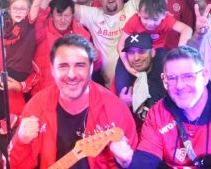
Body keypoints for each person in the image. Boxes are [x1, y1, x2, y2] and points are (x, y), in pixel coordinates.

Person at [9, 34, 139, 168]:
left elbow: (134, 163)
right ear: (52, 70)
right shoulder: (37, 106)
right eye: (63, 66)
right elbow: (16, 165)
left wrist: (126, 163)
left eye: (80, 65)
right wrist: (21, 142)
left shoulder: (116, 109)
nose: (71, 75)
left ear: (91, 68)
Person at [114, 32, 168, 125]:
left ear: (153, 52)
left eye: (141, 51)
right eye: (131, 52)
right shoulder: (122, 80)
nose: (136, 58)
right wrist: (123, 107)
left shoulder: (165, 70)